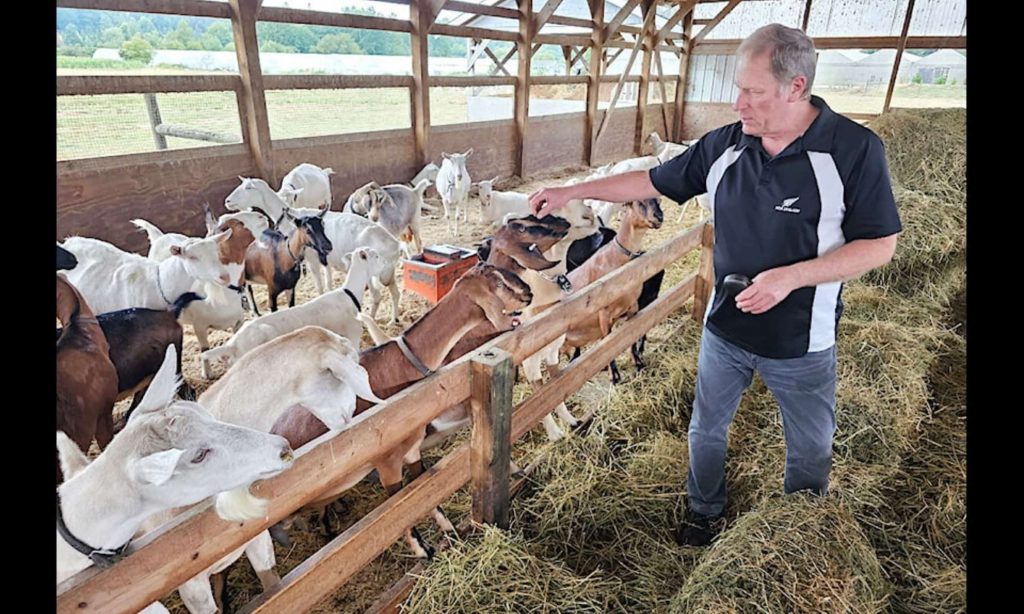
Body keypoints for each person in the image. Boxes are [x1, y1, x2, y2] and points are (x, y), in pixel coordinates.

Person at [528, 23, 902, 546]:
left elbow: (879, 244)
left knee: (812, 444)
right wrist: (573, 189)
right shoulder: (726, 144)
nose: (738, 104)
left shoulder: (852, 151)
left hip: (800, 339)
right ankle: (704, 512)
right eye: (737, 88)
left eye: (753, 92)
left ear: (796, 87)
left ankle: (800, 530)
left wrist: (790, 279)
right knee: (705, 429)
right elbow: (652, 180)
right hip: (724, 328)